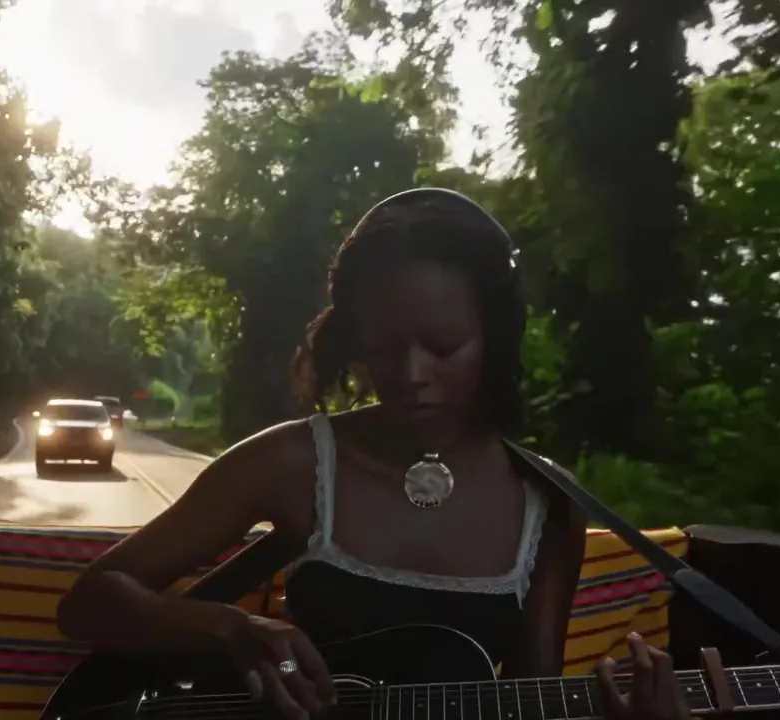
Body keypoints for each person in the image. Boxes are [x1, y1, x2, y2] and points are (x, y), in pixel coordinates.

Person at [57, 188, 690, 720]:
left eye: (442, 346)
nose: (410, 374)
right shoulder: (293, 462)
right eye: (383, 347)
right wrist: (232, 629)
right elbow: (89, 603)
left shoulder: (548, 502)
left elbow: (532, 701)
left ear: (496, 337)